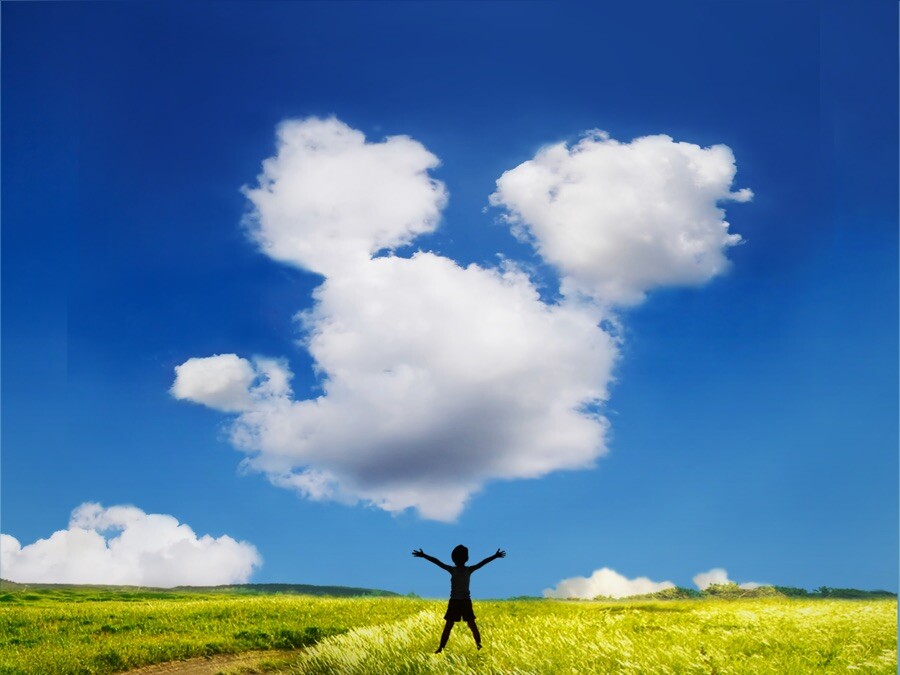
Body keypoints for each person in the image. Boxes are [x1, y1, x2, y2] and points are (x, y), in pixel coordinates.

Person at [412, 545, 506, 653]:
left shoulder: (453, 570)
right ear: (466, 558)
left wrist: (424, 555)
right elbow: (483, 563)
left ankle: (442, 648)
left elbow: (437, 562)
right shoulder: (468, 570)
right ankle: (478, 646)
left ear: (453, 558)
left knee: (450, 627)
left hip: (455, 602)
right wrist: (495, 556)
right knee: (471, 625)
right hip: (464, 602)